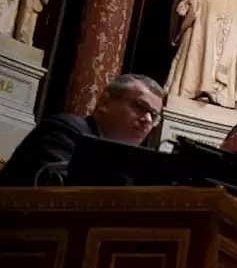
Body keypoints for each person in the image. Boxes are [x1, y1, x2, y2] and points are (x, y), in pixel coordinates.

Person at [0, 73, 163, 186]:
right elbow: (52, 192)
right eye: (140, 107)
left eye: (154, 115)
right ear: (105, 103)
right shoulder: (66, 131)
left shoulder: (138, 161)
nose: (147, 120)